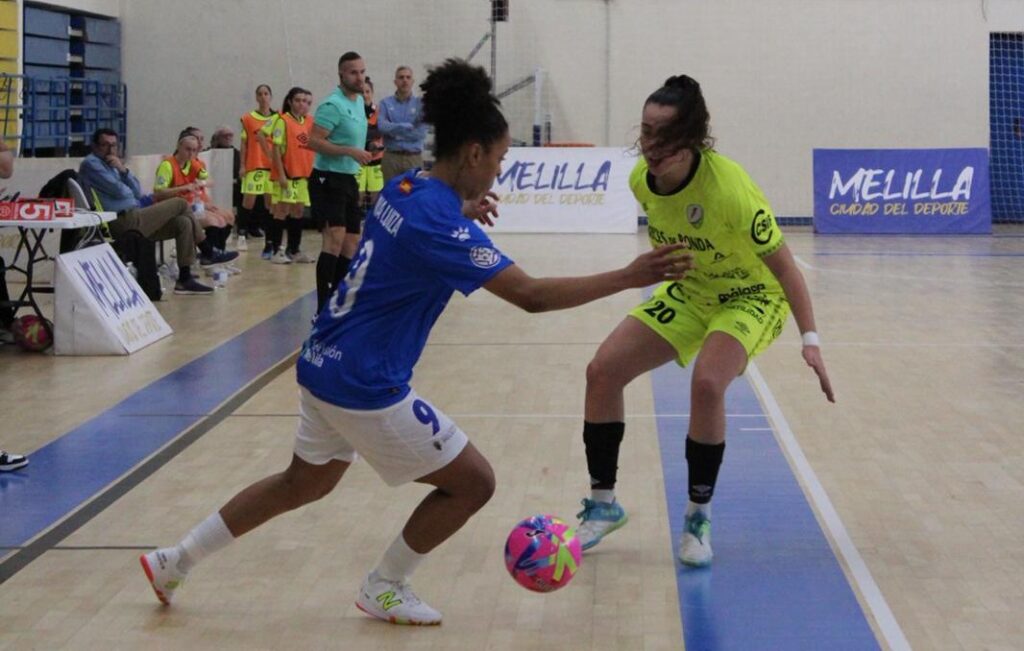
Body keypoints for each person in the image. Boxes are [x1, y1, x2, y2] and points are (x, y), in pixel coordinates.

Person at [140, 58, 692, 626]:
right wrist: (630, 275)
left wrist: (462, 208)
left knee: (302, 482)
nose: (500, 171)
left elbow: (425, 218)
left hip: (322, 360)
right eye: (499, 159)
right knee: (473, 483)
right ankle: (384, 585)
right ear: (473, 153)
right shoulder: (439, 223)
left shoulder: (405, 186)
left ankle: (174, 559)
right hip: (364, 383)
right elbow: (530, 295)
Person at [573, 75, 835, 567]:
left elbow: (785, 270)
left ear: (692, 138)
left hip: (750, 296)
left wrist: (811, 339)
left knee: (708, 383)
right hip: (692, 292)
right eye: (646, 131)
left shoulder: (729, 190)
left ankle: (698, 517)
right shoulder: (641, 181)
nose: (651, 145)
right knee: (602, 371)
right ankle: (603, 506)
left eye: (664, 135)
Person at [78, 128, 233, 295]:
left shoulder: (114, 165)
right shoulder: (91, 164)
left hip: (135, 214)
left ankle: (185, 279)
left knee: (183, 222)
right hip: (120, 220)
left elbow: (136, 190)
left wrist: (123, 170)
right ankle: (207, 251)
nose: (110, 150)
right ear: (95, 146)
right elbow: (120, 191)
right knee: (180, 203)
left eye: (114, 145)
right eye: (105, 145)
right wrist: (124, 182)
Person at [307, 51, 371, 312]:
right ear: (341, 75)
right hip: (327, 177)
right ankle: (322, 307)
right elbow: (313, 141)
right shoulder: (332, 105)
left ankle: (338, 299)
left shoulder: (359, 101)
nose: (360, 77)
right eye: (354, 72)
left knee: (352, 241)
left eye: (362, 72)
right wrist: (348, 151)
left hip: (348, 178)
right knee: (335, 237)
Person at [154, 132, 236, 258]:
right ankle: (210, 256)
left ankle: (218, 253)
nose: (191, 153)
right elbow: (158, 193)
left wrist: (201, 183)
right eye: (188, 149)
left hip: (192, 205)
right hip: (173, 209)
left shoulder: (192, 163)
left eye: (194, 150)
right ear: (179, 147)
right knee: (215, 221)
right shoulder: (167, 165)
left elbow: (209, 180)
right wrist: (184, 187)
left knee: (228, 216)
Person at [263, 87, 316, 264]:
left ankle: (294, 249)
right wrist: (281, 174)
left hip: (303, 176)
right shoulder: (283, 121)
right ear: (290, 102)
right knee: (281, 211)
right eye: (298, 100)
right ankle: (276, 250)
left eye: (306, 101)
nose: (302, 104)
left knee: (298, 211)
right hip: (287, 175)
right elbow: (276, 149)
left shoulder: (309, 122)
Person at [238, 85, 276, 246]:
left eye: (266, 93)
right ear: (256, 97)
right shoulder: (248, 118)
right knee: (249, 200)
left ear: (270, 96)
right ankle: (241, 232)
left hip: (272, 165)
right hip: (254, 164)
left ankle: (270, 236)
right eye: (260, 94)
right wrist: (242, 165)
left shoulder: (278, 118)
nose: (263, 97)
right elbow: (244, 143)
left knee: (270, 202)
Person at [378, 65, 428, 182]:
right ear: (395, 82)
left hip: (413, 158)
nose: (405, 80)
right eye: (401, 77)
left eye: (408, 77)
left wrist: (394, 133)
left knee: (412, 191)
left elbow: (420, 133)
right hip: (391, 158)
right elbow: (382, 127)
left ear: (412, 81)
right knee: (391, 191)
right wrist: (404, 127)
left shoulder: (421, 104)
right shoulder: (385, 103)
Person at [209, 125, 245, 250]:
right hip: (215, 189)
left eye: (231, 135)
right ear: (218, 137)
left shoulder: (237, 154)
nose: (229, 138)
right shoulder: (210, 153)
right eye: (225, 135)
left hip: (233, 187)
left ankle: (243, 229)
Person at [356, 77, 384, 212]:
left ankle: (373, 222)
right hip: (358, 160)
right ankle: (356, 222)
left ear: (372, 93)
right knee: (357, 197)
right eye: (361, 92)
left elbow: (381, 132)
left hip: (376, 160)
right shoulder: (353, 112)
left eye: (367, 92)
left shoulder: (380, 112)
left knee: (376, 199)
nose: (364, 95)